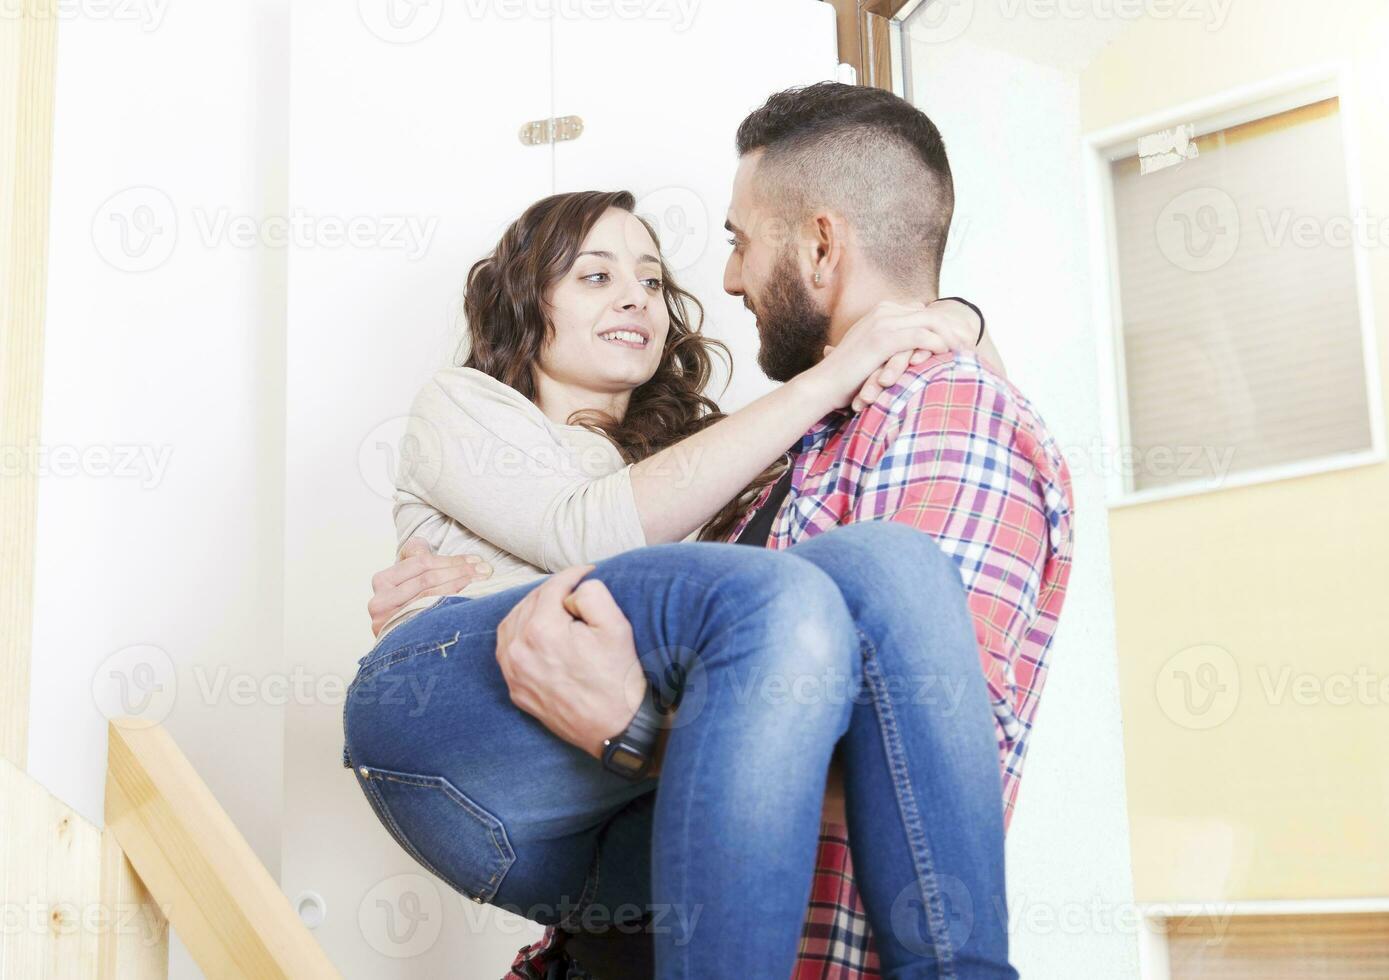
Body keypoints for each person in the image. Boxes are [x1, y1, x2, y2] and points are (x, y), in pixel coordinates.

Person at [354, 82, 1075, 979]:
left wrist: (634, 729)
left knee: (881, 566)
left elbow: (935, 746)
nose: (712, 281)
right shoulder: (469, 406)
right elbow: (593, 530)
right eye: (594, 275)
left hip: (618, 868)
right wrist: (849, 365)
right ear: (526, 306)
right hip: (453, 738)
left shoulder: (734, 460)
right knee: (791, 597)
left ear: (819, 244)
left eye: (659, 277)